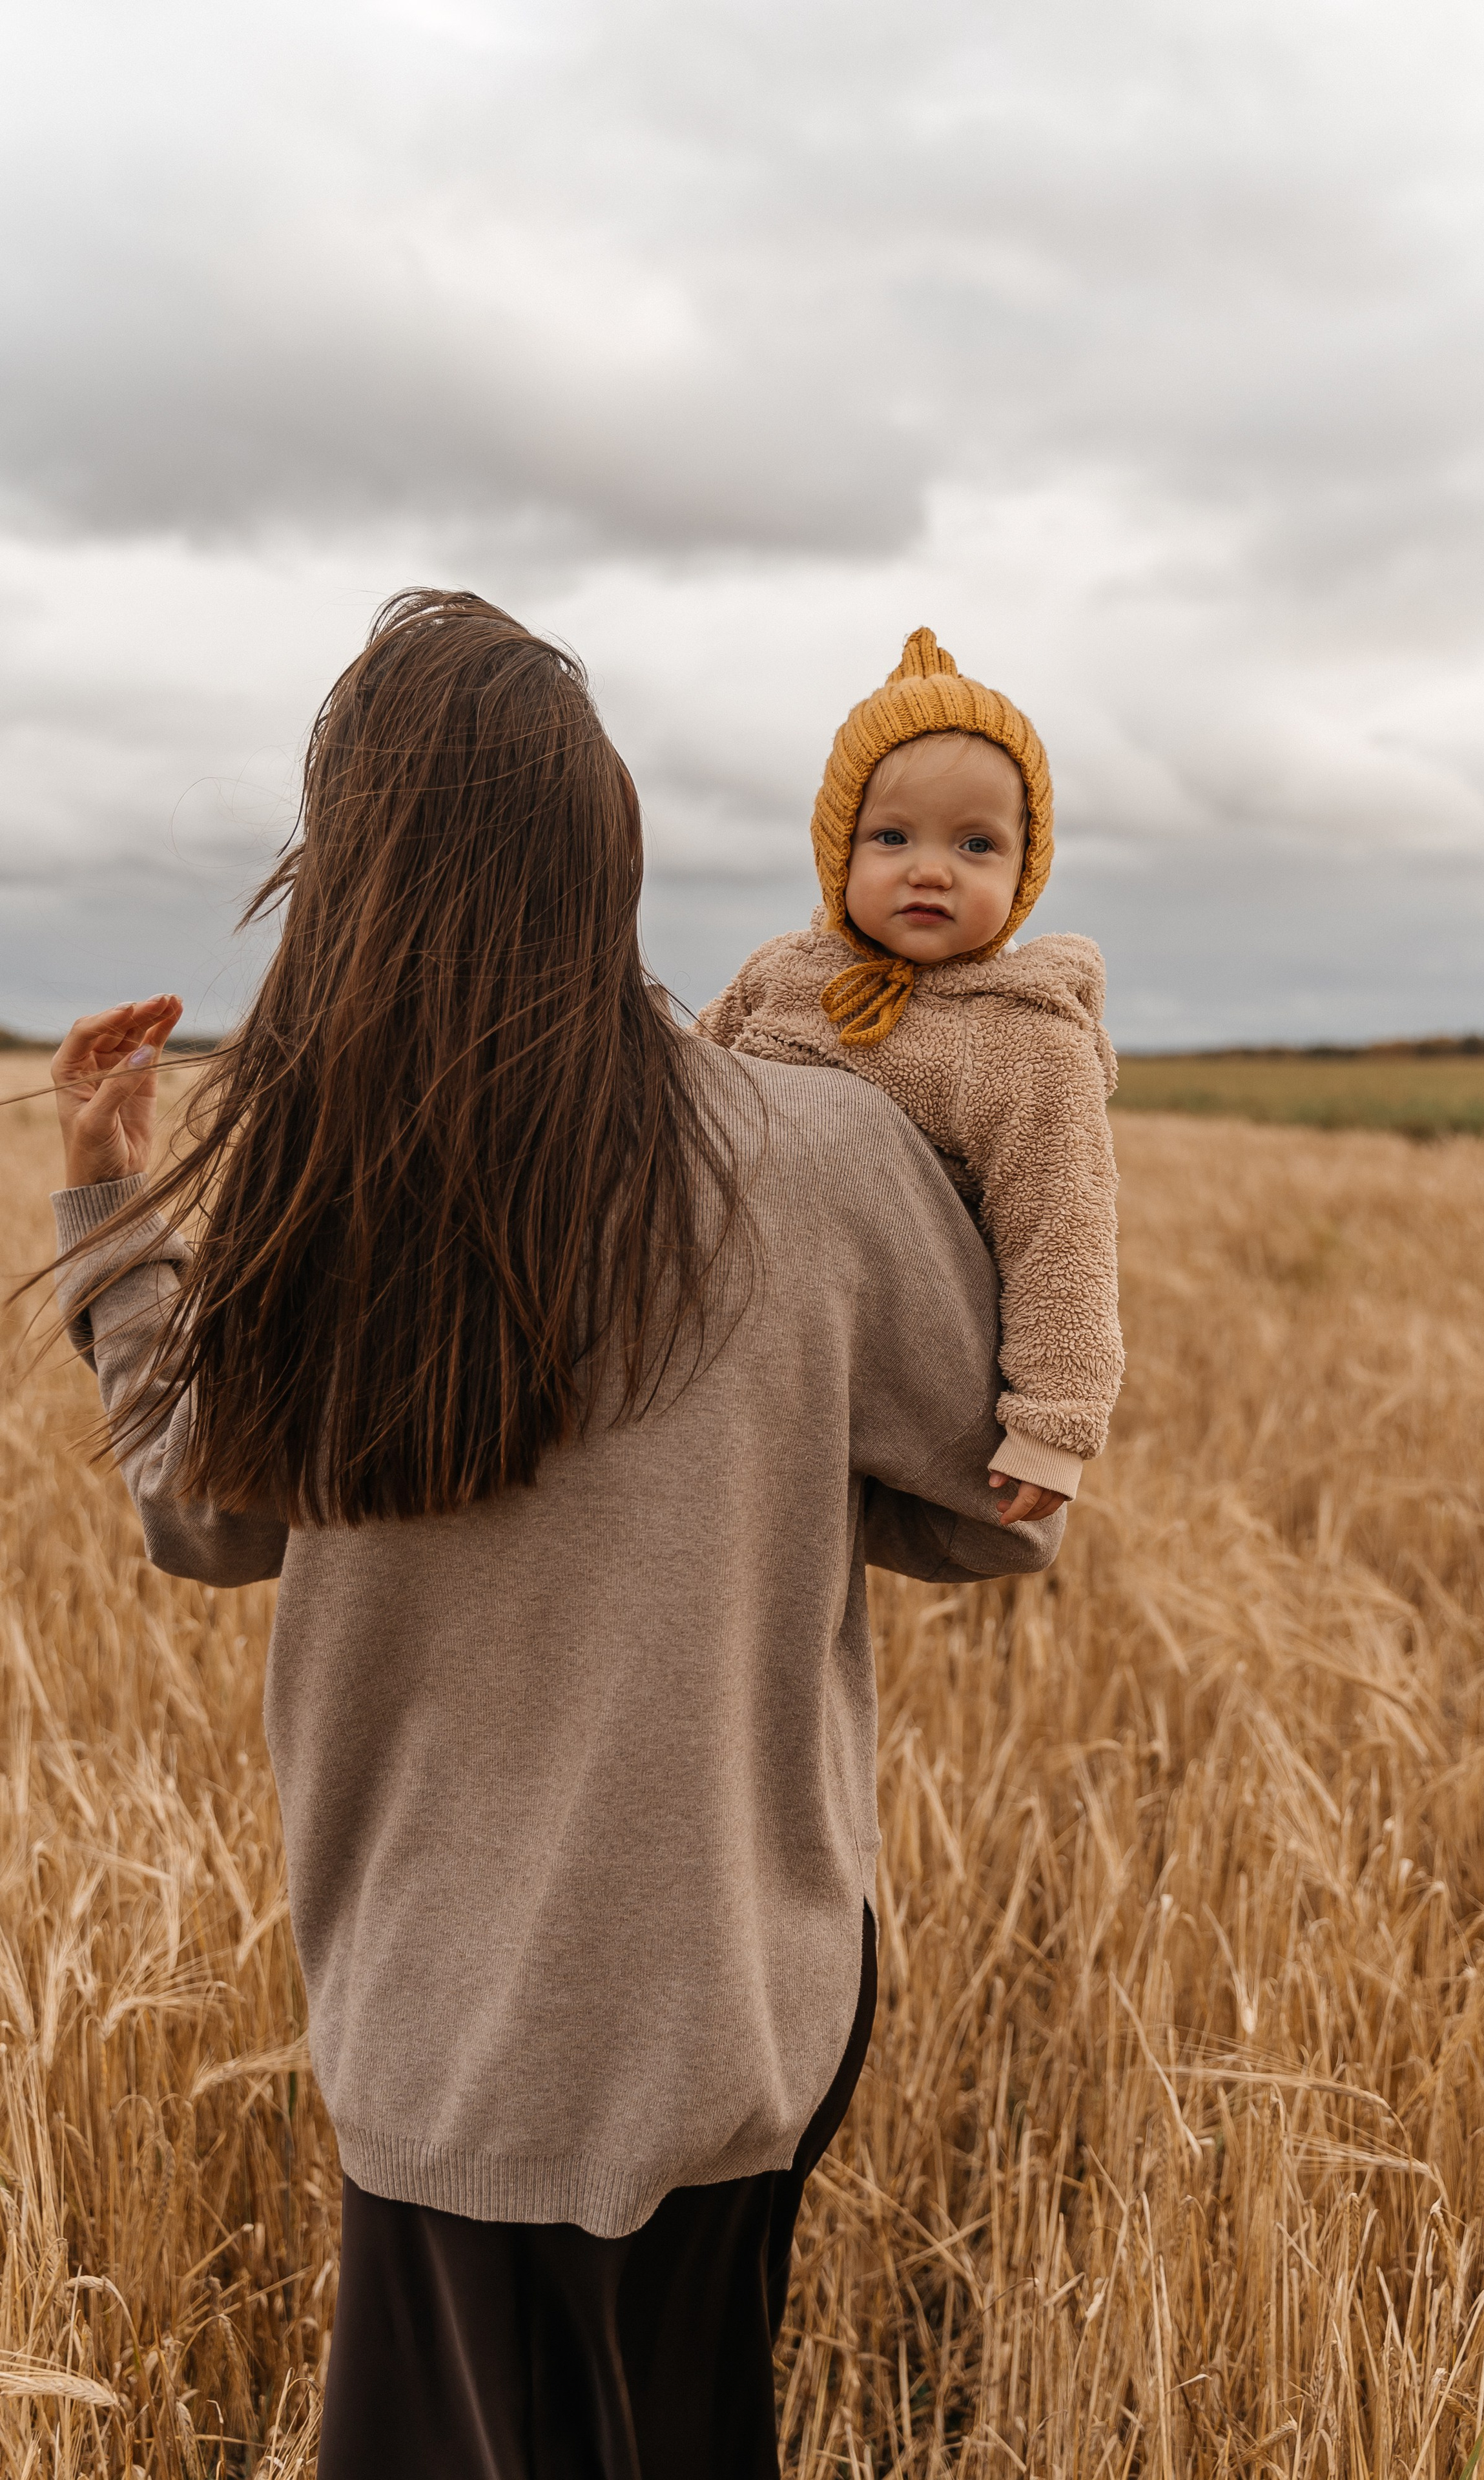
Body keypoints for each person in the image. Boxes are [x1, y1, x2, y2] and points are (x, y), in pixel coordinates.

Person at [45, 590, 1065, 2480]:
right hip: (740, 2026)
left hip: (444, 2046)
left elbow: (207, 1524)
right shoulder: (823, 1159)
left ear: (350, 879)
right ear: (614, 861)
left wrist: (113, 1215)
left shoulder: (319, 1189)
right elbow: (1003, 1524)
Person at [699, 626, 1124, 1520]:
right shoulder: (784, 971)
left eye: (977, 846)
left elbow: (1063, 1227)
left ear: (1025, 867)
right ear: (838, 852)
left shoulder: (1026, 1038)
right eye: (892, 837)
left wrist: (1056, 1420)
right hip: (733, 1337)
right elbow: (677, 1094)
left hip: (898, 1361)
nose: (931, 869)